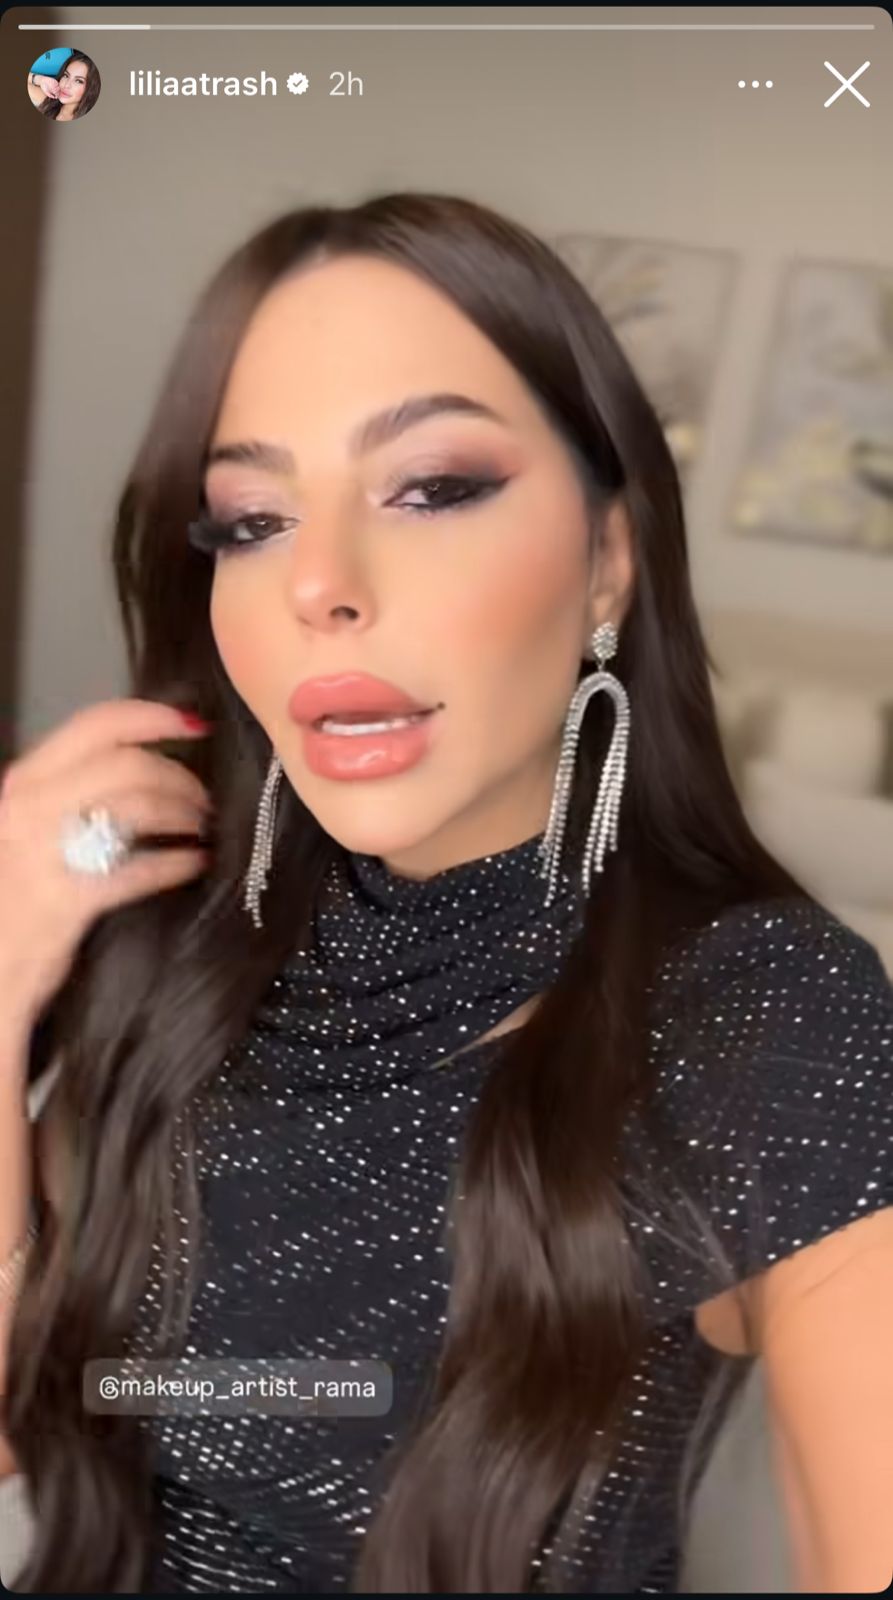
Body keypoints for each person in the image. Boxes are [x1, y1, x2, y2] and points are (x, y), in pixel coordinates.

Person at [0, 191, 891, 1595]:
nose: (318, 586)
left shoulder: (766, 1012)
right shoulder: (178, 931)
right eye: (250, 520)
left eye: (431, 487)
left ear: (607, 562)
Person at [27, 51, 100, 122]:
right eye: (66, 76)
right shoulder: (48, 100)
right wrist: (40, 79)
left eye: (78, 81)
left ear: (91, 89)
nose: (66, 85)